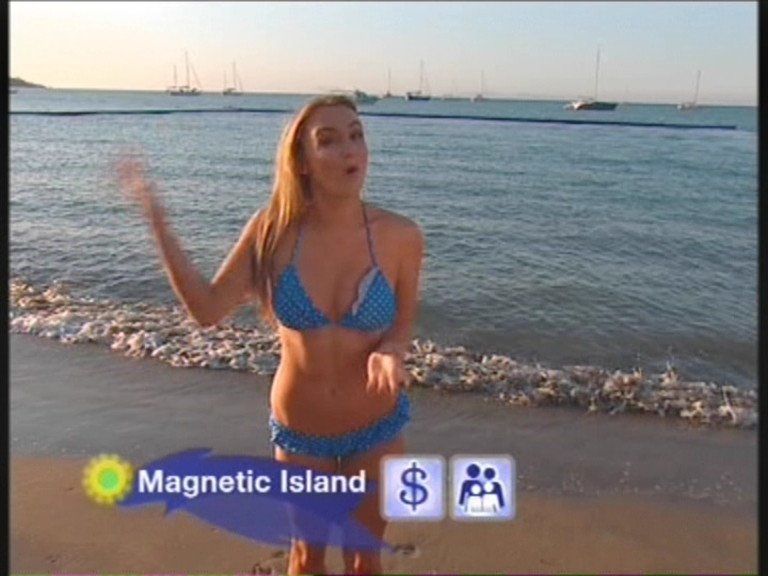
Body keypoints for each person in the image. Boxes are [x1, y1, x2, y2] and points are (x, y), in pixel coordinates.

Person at [116, 94, 425, 575]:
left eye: (356, 135)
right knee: (306, 557)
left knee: (365, 559)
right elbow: (207, 310)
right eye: (329, 140)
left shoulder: (402, 236)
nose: (350, 150)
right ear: (302, 162)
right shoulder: (272, 232)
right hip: (301, 431)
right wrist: (158, 221)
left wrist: (390, 351)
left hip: (377, 426)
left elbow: (402, 323)